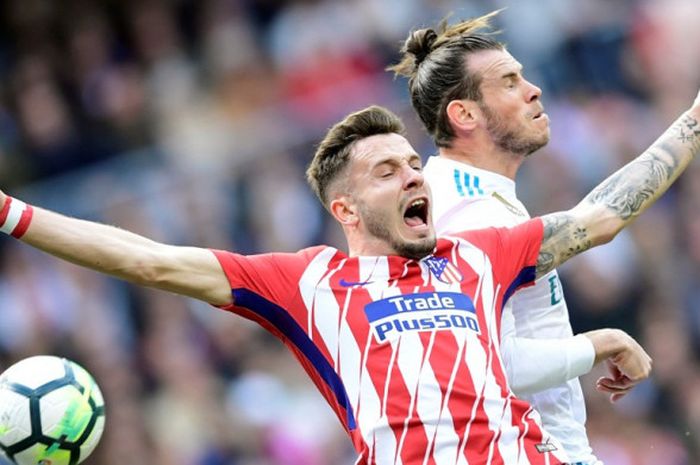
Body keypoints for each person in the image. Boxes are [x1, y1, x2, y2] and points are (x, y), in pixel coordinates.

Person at [2, 92, 698, 463]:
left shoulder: (479, 254)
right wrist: (11, 212)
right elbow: (146, 259)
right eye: (387, 171)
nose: (414, 174)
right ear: (345, 207)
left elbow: (599, 218)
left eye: (413, 163)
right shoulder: (309, 282)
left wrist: (693, 122)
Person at [387, 11, 643, 464]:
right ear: (464, 114)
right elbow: (486, 360)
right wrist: (602, 342)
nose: (533, 89)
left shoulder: (466, 194)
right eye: (509, 82)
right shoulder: (469, 212)